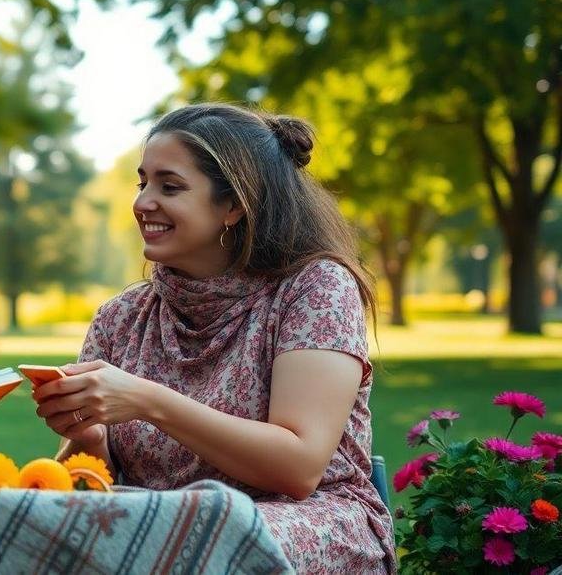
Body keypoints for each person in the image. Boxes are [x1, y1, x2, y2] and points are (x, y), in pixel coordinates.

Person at [31, 104, 395, 573]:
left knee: (203, 541)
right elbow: (87, 480)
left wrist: (146, 400)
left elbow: (299, 467)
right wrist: (88, 432)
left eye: (170, 186)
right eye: (143, 183)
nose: (143, 202)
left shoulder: (315, 288)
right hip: (158, 529)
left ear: (233, 206)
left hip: (309, 523)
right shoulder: (121, 317)